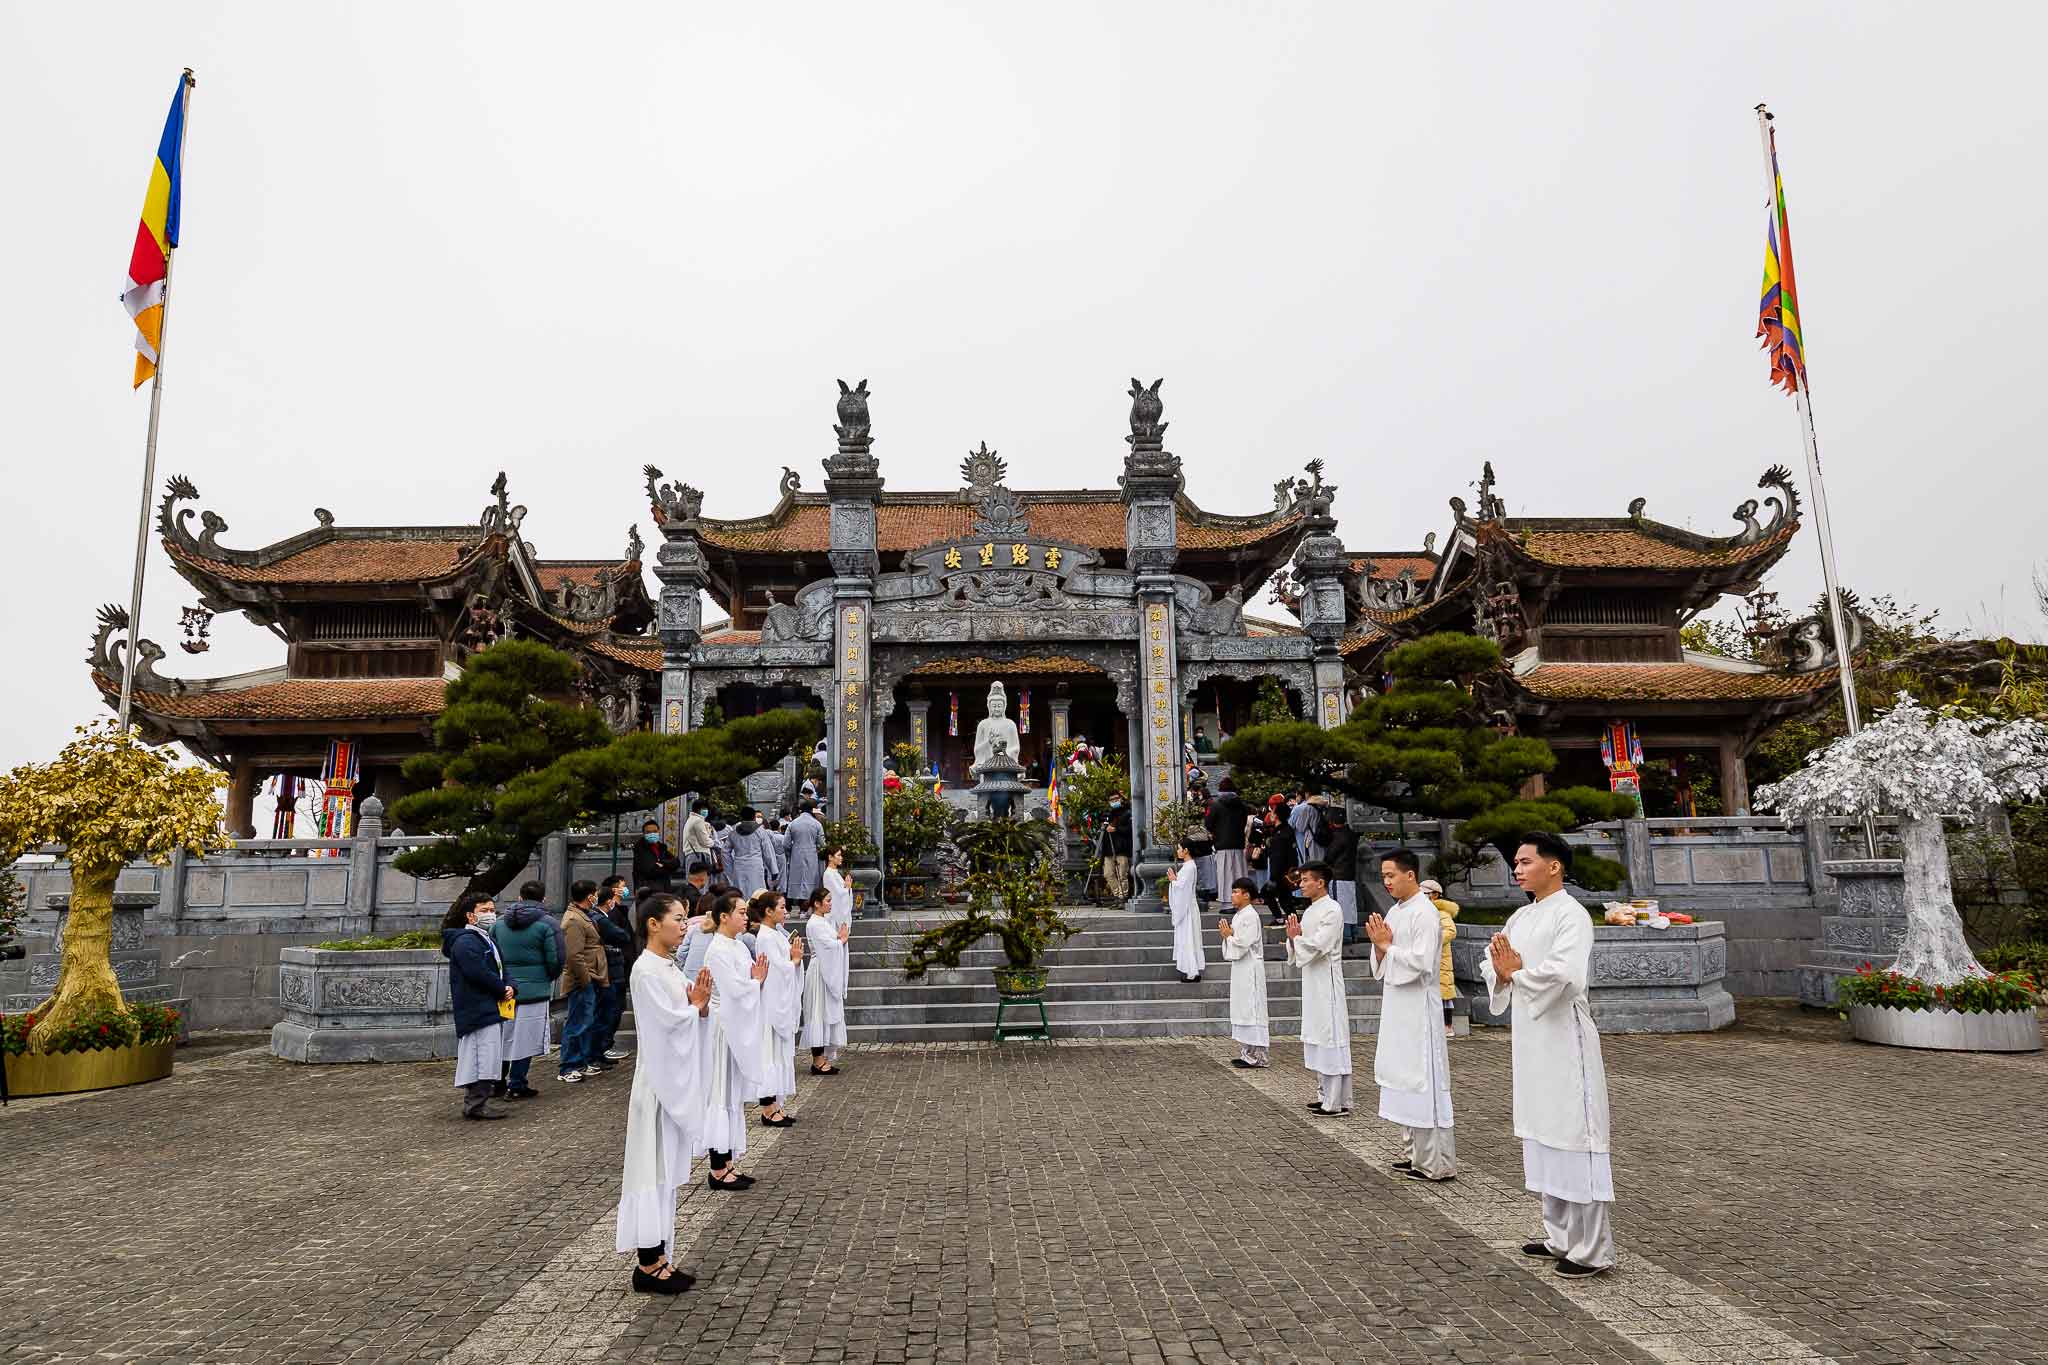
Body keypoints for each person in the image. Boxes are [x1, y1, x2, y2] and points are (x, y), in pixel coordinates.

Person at [1482, 831, 1618, 1278]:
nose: (1517, 869)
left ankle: (1591, 1249)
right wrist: (1504, 975)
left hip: (1565, 1038)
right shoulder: (1521, 916)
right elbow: (1495, 964)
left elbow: (1567, 974)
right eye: (1516, 863)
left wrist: (1518, 974)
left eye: (1524, 862)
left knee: (1574, 1134)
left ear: (1554, 865)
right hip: (1531, 1037)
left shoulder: (1572, 915)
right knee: (1544, 1133)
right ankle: (1558, 1234)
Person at [615, 892, 712, 1294]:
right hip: (657, 1085)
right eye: (677, 917)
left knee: (664, 1174)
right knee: (651, 1171)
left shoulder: (667, 967)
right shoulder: (646, 971)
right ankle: (649, 1262)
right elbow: (667, 1026)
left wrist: (700, 1007)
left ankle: (660, 1256)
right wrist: (695, 1008)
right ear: (653, 923)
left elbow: (688, 1012)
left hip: (669, 1082)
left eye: (685, 917)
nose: (683, 924)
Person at [1368, 850, 1458, 1182]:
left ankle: (1435, 1162)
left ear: (1411, 875)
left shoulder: (1425, 912)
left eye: (1391, 875)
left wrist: (1387, 947)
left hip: (1420, 1006)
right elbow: (1383, 956)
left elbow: (1422, 963)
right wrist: (1379, 948)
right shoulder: (1395, 910)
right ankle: (1414, 1154)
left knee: (1425, 1080)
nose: (1387, 881)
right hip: (1398, 1005)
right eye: (1384, 876)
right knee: (1404, 1076)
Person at [700, 890, 772, 1189]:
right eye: (740, 912)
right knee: (719, 1093)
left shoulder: (739, 946)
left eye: (746, 912)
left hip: (735, 1024)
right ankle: (717, 1168)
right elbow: (733, 991)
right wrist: (755, 982)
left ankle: (728, 1161)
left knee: (730, 1096)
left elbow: (747, 984)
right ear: (723, 917)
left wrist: (755, 981)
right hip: (722, 1027)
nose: (746, 916)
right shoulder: (717, 950)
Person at [1286, 861, 1352, 1116]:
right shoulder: (1312, 910)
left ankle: (1336, 1101)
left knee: (1330, 1036)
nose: (1300, 885)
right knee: (1318, 1036)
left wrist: (1296, 938)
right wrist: (1294, 939)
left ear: (1320, 882)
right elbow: (1303, 943)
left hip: (1327, 981)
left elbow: (1319, 945)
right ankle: (1325, 1094)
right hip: (1312, 980)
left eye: (1305, 880)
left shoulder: (1332, 910)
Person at [443, 894, 515, 1120]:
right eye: (484, 910)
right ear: (470, 915)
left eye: (492, 909)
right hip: (477, 1007)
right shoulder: (466, 942)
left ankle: (478, 1101)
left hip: (490, 1005)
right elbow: (477, 972)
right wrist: (501, 988)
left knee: (489, 1054)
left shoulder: (486, 939)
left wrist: (511, 986)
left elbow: (502, 967)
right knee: (481, 1055)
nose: (490, 914)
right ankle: (475, 1103)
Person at [492, 880, 562, 1099]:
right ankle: (517, 1084)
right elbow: (556, 959)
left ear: (520, 897)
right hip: (535, 990)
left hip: (505, 989)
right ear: (543, 899)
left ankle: (497, 1081)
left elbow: (491, 955)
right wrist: (546, 978)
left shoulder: (499, 923)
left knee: (504, 1035)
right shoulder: (548, 924)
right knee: (526, 1038)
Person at [751, 891, 803, 1126]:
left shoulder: (774, 934)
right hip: (772, 1005)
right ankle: (768, 1108)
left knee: (777, 1056)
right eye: (781, 907)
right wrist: (793, 961)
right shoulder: (766, 937)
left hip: (778, 1001)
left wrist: (794, 961)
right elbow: (777, 971)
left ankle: (776, 1105)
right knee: (769, 1056)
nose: (785, 911)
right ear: (768, 911)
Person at [559, 879, 610, 1083]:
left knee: (586, 1021)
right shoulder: (574, 920)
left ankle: (580, 1060)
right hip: (582, 979)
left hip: (591, 976)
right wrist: (586, 979)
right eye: (595, 893)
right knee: (577, 1022)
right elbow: (574, 955)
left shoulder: (583, 916)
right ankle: (568, 1065)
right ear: (590, 896)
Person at [1217, 878, 1269, 1068]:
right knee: (1243, 1008)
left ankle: (1257, 1056)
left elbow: (1244, 943)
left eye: (1236, 892)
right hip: (1241, 968)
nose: (1233, 895)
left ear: (1247, 895)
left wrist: (1229, 936)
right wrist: (1229, 936)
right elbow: (1235, 943)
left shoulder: (1250, 916)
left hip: (1250, 968)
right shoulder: (1240, 915)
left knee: (1252, 1009)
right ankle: (1246, 1052)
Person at [801, 886, 849, 1073]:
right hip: (820, 971)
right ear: (817, 904)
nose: (830, 904)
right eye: (827, 901)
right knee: (818, 1012)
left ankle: (821, 1058)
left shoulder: (822, 921)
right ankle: (818, 1060)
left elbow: (830, 944)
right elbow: (827, 948)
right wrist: (841, 941)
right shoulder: (814, 923)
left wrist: (838, 940)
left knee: (824, 1011)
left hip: (825, 969)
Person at [1422, 878, 1461, 1039]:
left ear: (1435, 895)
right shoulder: (1423, 911)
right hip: (1428, 959)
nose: (1422, 896)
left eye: (1426, 893)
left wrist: (1433, 940)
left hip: (1441, 959)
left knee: (1444, 995)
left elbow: (1450, 931)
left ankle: (1447, 1026)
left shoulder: (1441, 913)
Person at [1205, 776, 1249, 898]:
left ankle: (1226, 901)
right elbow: (1243, 823)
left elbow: (1208, 824)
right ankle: (1242, 900)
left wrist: (1216, 833)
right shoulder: (1242, 806)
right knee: (1239, 874)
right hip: (1238, 845)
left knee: (1224, 875)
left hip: (1222, 845)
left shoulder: (1215, 806)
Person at [1167, 840, 1204, 983]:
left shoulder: (1189, 867)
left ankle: (1191, 972)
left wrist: (1173, 882)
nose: (1178, 851)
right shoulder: (1189, 866)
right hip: (1188, 905)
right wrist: (1175, 881)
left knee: (1188, 938)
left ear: (1186, 850)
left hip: (1187, 907)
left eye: (1180, 848)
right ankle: (1191, 970)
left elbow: (1183, 890)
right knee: (1189, 938)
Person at [1323, 806, 1360, 944]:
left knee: (1340, 907)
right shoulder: (1350, 834)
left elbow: (1329, 856)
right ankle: (1353, 933)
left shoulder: (1338, 836)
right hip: (1349, 875)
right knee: (1350, 906)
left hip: (1338, 875)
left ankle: (1345, 936)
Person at [724, 808, 779, 897]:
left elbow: (725, 852)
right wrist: (774, 870)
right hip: (755, 866)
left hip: (739, 866)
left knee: (740, 892)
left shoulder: (733, 832)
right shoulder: (760, 831)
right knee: (757, 893)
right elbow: (768, 851)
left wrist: (729, 869)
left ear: (741, 817)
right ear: (754, 817)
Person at [1263, 806, 1300, 925]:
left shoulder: (1280, 835)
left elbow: (1277, 858)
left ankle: (1284, 920)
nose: (1271, 814)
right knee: (1285, 900)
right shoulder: (1287, 830)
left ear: (1277, 815)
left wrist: (1273, 876)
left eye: (1273, 812)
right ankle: (1293, 922)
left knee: (1268, 893)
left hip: (1281, 873)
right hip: (1288, 871)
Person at [784, 800, 826, 902]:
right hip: (812, 854)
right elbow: (822, 844)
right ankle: (809, 906)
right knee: (811, 879)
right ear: (812, 810)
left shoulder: (792, 824)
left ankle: (800, 906)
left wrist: (790, 853)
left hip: (796, 854)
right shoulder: (817, 824)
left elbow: (785, 843)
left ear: (800, 810)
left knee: (797, 880)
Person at [1098, 794, 1133, 902]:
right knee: (1108, 874)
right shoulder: (1108, 815)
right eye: (1111, 800)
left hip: (1121, 849)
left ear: (1121, 799)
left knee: (1122, 874)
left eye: (1116, 799)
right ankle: (1118, 894)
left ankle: (1122, 897)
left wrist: (1116, 829)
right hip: (1108, 850)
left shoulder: (1128, 813)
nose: (1114, 801)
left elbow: (1129, 830)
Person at [634, 819, 683, 895]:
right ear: (643, 834)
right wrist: (668, 868)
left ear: (658, 832)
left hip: (664, 888)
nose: (652, 834)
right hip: (647, 891)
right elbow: (650, 870)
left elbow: (676, 862)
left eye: (655, 831)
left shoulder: (661, 847)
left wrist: (662, 863)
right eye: (648, 832)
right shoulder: (640, 849)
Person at [821, 845, 854, 930]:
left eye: (841, 855)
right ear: (830, 857)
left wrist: (848, 887)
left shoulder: (835, 873)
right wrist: (847, 887)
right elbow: (837, 894)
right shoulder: (828, 874)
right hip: (834, 914)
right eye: (838, 855)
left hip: (837, 913)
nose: (841, 858)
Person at [681, 801, 717, 876]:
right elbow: (705, 841)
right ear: (698, 809)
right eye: (705, 809)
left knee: (692, 878)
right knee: (700, 879)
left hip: (691, 853)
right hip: (699, 854)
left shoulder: (691, 819)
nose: (706, 811)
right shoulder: (698, 820)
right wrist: (714, 843)